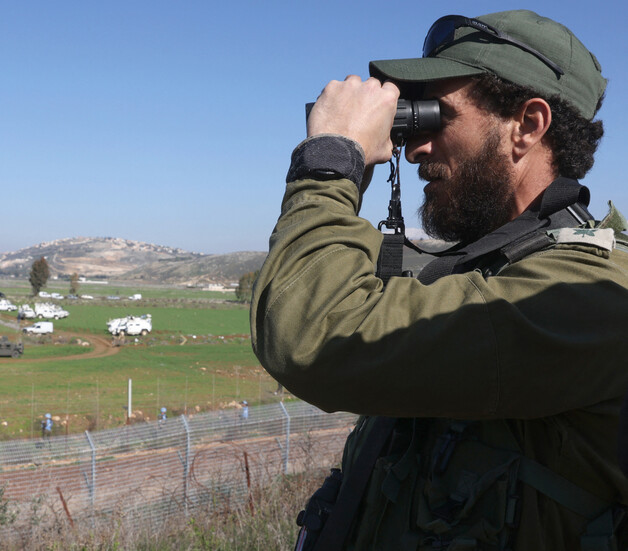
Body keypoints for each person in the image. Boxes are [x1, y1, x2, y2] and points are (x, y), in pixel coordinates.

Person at [250, 10, 628, 550]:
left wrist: (332, 161)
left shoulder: (586, 297)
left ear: (527, 125)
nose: (413, 147)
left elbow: (309, 333)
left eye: (436, 118)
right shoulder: (490, 273)